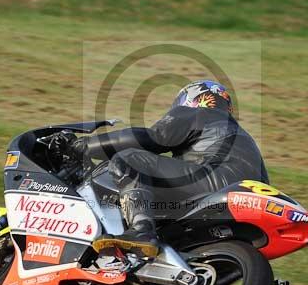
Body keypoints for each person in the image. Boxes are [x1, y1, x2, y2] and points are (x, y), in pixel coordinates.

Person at [69, 80, 268, 257]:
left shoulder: (198, 113)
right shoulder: (246, 138)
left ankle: (141, 230)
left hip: (214, 183)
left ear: (190, 99)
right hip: (245, 202)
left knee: (130, 159)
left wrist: (85, 146)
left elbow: (150, 138)